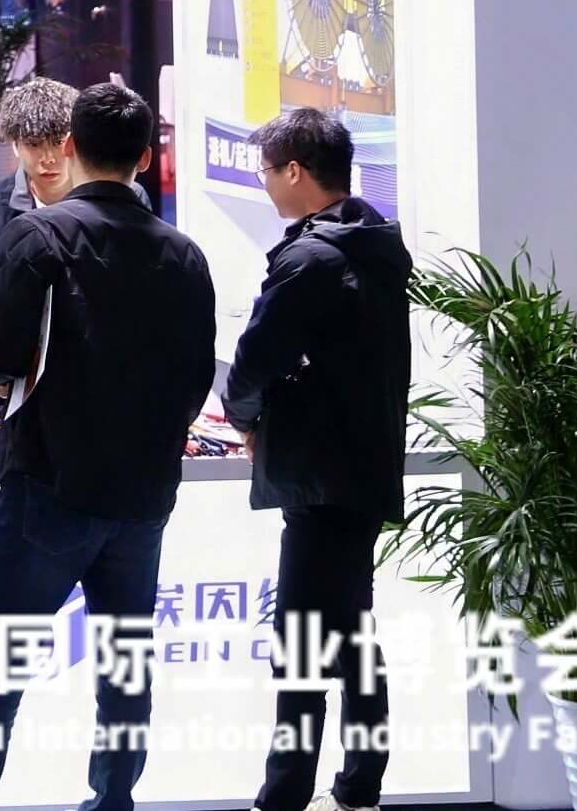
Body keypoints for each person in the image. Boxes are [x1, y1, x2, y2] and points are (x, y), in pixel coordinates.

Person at [0, 82, 216, 811]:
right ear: (146, 158)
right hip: (141, 495)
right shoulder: (184, 254)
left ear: (69, 146)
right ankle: (113, 800)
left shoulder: (38, 236)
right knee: (126, 669)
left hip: (48, 484)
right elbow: (195, 379)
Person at [222, 106, 411, 811]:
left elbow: (253, 361)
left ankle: (285, 794)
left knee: (302, 642)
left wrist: (244, 418)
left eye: (268, 171)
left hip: (319, 475)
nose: (266, 183)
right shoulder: (376, 244)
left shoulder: (309, 259)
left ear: (295, 171)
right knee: (350, 633)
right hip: (362, 466)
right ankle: (359, 783)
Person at [0, 77, 79, 362]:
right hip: (13, 370)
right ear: (15, 145)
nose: (48, 158)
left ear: (74, 141)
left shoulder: (114, 200)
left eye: (58, 142)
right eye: (34, 144)